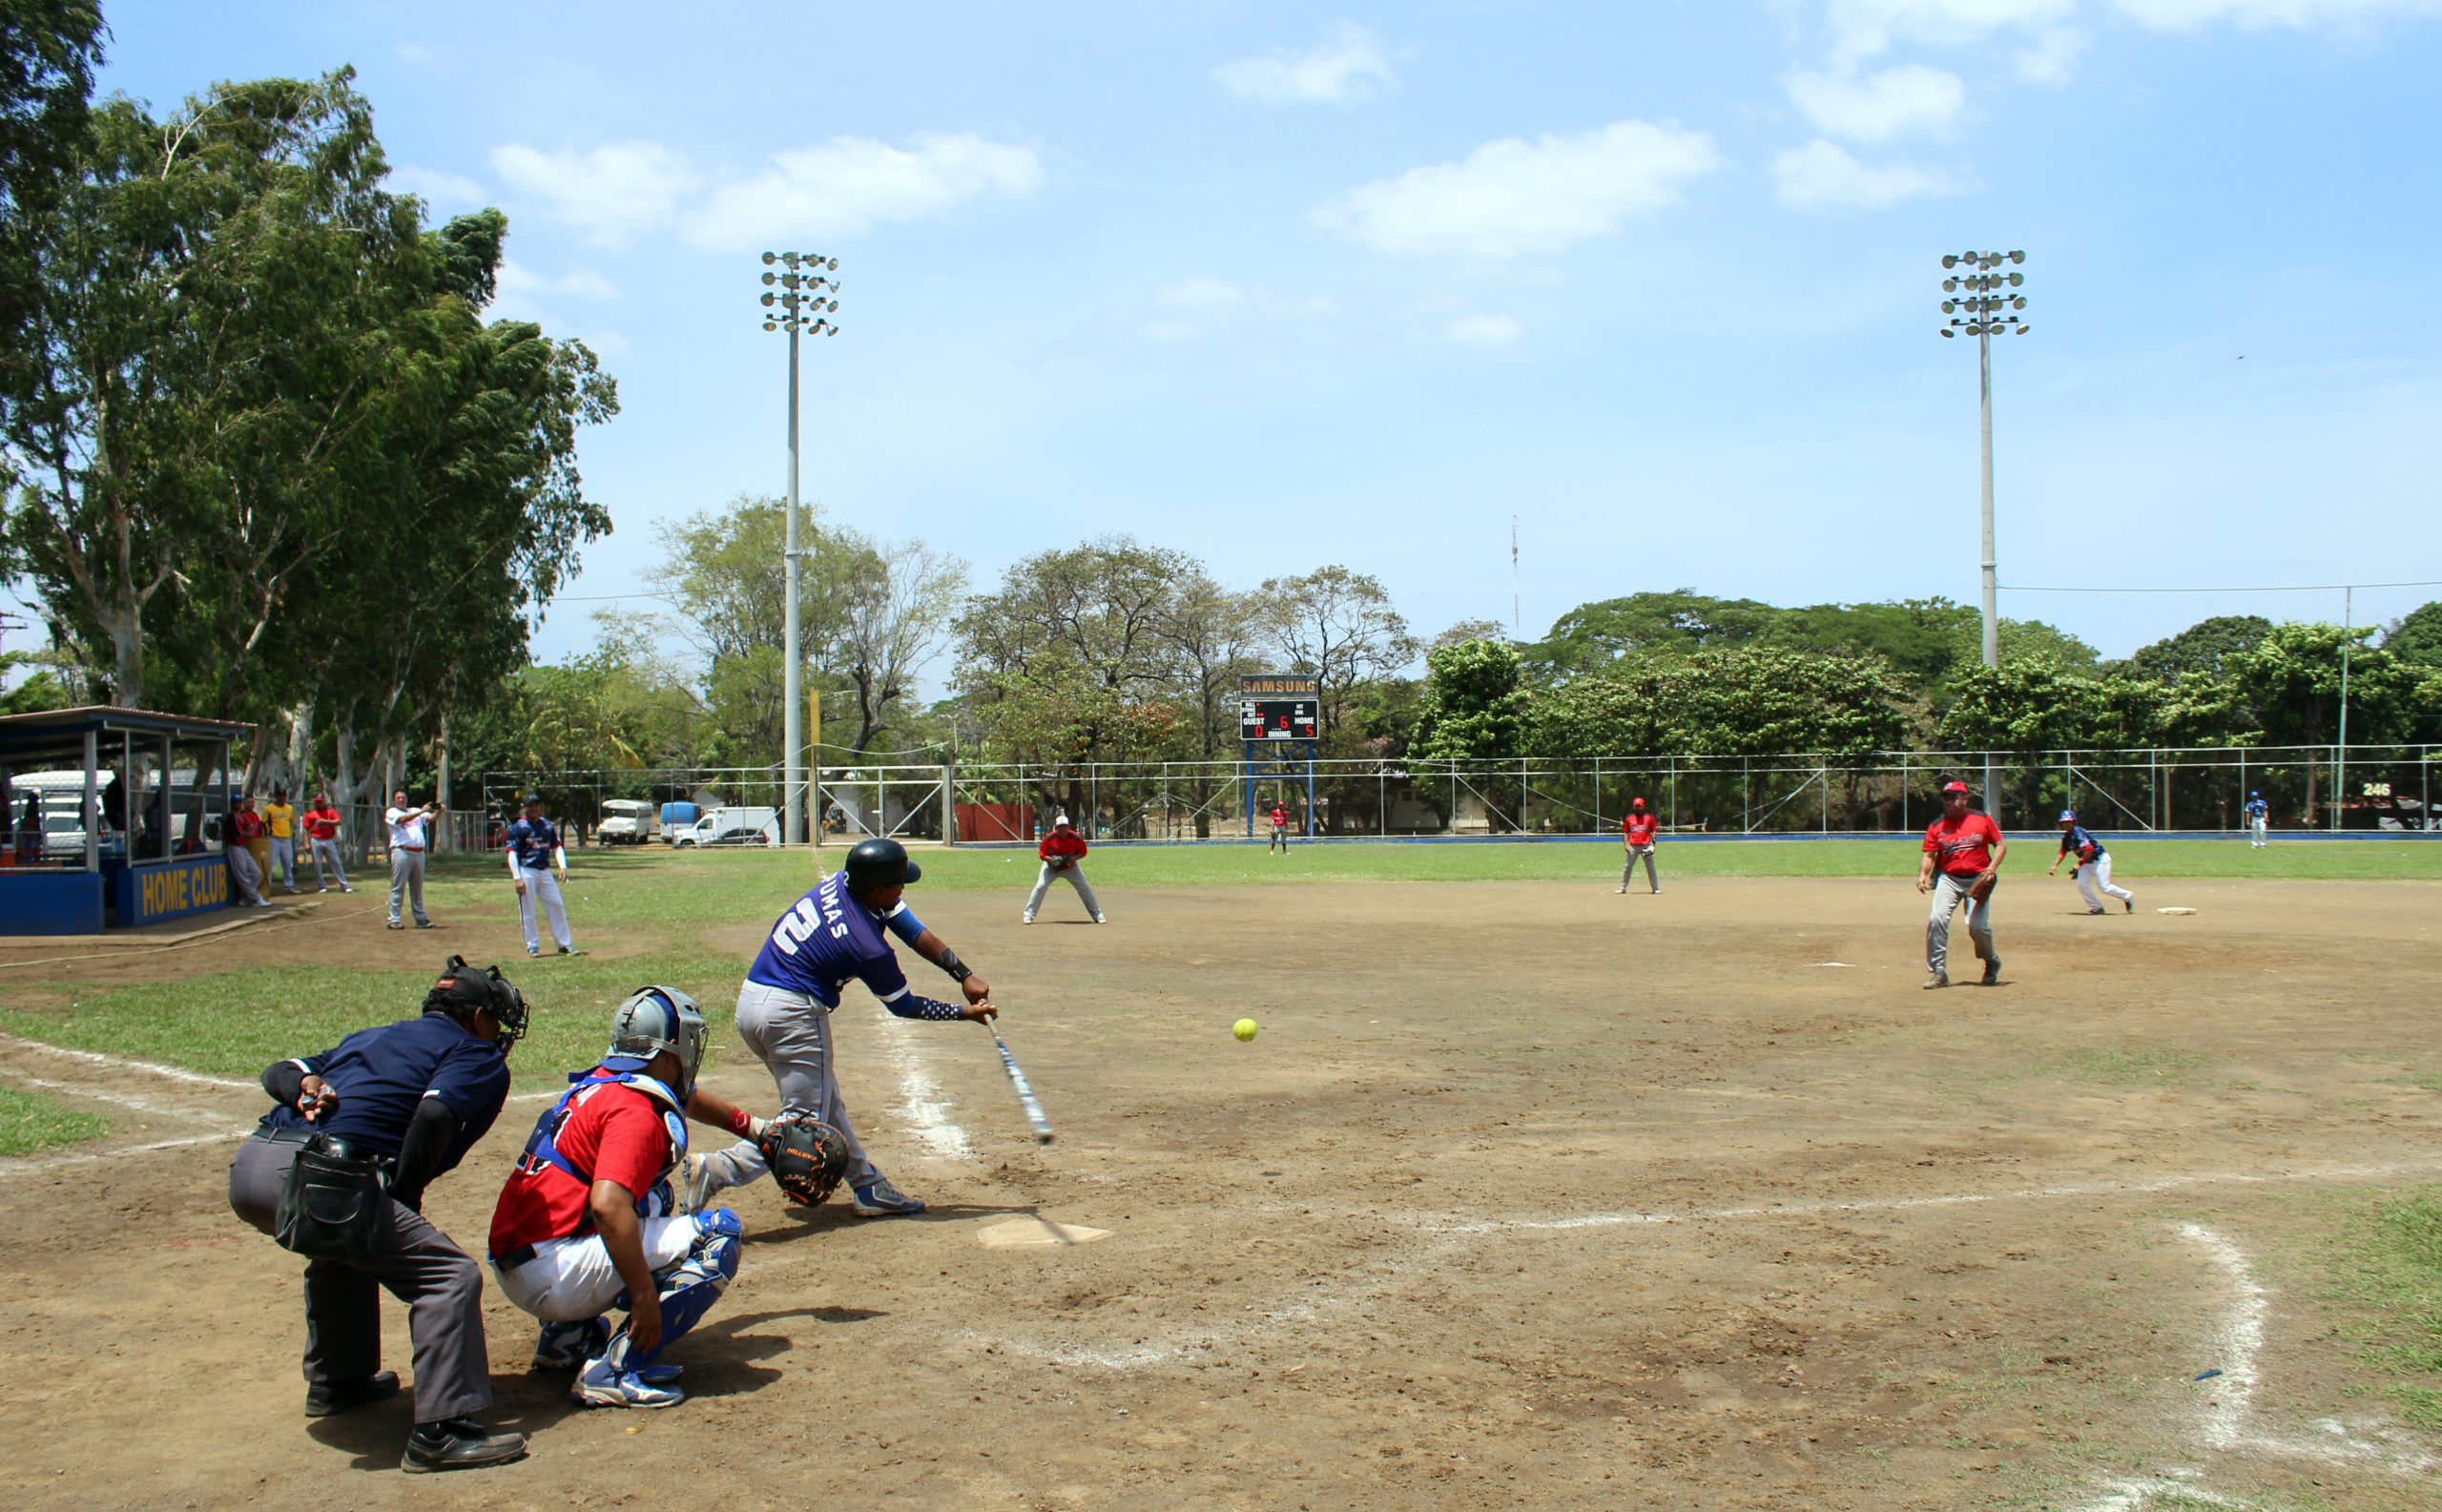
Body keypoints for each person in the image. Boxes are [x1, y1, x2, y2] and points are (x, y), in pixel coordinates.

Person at [226, 956, 529, 1473]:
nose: (497, 1033)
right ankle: (442, 1432)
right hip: (318, 1178)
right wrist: (405, 1191)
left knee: (347, 1244)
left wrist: (302, 1088)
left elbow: (280, 1072)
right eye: (495, 1021)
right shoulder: (473, 1052)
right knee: (447, 1276)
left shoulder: (374, 1036)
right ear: (476, 1016)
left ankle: (338, 1380)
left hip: (253, 1163)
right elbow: (435, 1114)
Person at [685, 837, 997, 1217]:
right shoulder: (867, 946)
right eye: (899, 883)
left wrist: (961, 974)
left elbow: (912, 929)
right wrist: (962, 1014)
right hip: (793, 1017)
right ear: (879, 888)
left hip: (753, 1003)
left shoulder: (842, 882)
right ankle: (718, 1170)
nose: (903, 888)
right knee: (804, 1129)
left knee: (826, 1106)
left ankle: (868, 1187)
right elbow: (903, 1005)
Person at [489, 988, 770, 1409]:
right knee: (717, 1235)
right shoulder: (636, 1110)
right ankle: (614, 1370)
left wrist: (758, 1131)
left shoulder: (603, 1082)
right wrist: (643, 1299)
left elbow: (685, 1099)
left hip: (523, 1258)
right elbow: (606, 1205)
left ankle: (565, 1340)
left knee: (653, 1197)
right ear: (666, 1054)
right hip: (553, 1271)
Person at [1915, 779, 2006, 989]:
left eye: (1953, 797)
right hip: (1949, 879)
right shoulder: (1937, 825)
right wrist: (1923, 874)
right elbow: (1929, 854)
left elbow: (2000, 845)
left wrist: (1991, 869)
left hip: (1978, 878)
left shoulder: (1982, 819)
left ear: (1965, 799)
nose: (1948, 801)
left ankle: (1991, 961)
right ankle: (1939, 972)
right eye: (1946, 797)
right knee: (1937, 919)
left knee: (1977, 926)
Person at [506, 793, 578, 957]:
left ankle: (564, 943)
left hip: (544, 871)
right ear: (524, 808)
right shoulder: (519, 827)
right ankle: (532, 945)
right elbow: (511, 853)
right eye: (530, 805)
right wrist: (517, 878)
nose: (534, 808)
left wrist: (562, 866)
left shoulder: (547, 825)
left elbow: (557, 846)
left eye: (537, 805)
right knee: (528, 908)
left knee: (556, 904)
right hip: (526, 870)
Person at [2048, 809, 2134, 915]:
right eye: (2063, 822)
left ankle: (2127, 896)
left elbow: (2089, 849)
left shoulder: (2078, 832)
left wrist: (2078, 865)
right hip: (2086, 862)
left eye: (2068, 821)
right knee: (2081, 884)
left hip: (2100, 860)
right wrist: (2054, 866)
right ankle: (2097, 907)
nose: (2066, 824)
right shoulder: (2067, 837)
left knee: (2104, 887)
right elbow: (2063, 851)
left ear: (2073, 821)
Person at [1024, 812, 1104, 924]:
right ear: (1056, 828)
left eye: (1064, 826)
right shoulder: (1049, 838)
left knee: (1084, 887)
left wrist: (1073, 858)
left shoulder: (1076, 837)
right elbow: (1042, 854)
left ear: (1068, 827)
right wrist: (1051, 860)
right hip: (1050, 867)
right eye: (1060, 827)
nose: (1062, 829)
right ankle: (1028, 915)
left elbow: (1083, 852)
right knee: (1040, 887)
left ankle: (1098, 915)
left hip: (1071, 867)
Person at [385, 791, 440, 930]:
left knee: (417, 889)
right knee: (398, 887)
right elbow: (402, 820)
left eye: (403, 797)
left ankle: (421, 919)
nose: (401, 800)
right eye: (398, 798)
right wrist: (422, 811)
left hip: (418, 853)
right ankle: (394, 919)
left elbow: (430, 818)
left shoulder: (415, 810)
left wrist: (440, 810)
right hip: (402, 852)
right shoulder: (392, 812)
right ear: (394, 800)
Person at [227, 795, 274, 907]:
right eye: (236, 803)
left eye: (240, 802)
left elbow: (250, 831)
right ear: (233, 804)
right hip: (235, 847)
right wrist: (247, 833)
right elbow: (238, 835)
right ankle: (256, 898)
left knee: (257, 873)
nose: (238, 805)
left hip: (243, 847)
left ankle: (245, 898)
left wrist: (247, 833)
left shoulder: (243, 816)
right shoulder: (231, 817)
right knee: (243, 876)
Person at [303, 791, 352, 892]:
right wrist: (306, 843)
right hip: (315, 839)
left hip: (329, 840)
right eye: (317, 801)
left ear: (324, 801)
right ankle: (321, 885)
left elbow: (338, 821)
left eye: (321, 801)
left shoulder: (330, 812)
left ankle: (344, 885)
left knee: (336, 862)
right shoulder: (310, 814)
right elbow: (306, 828)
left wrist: (324, 821)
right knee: (317, 864)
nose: (319, 803)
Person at [1619, 796, 1660, 895]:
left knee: (1651, 867)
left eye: (1639, 806)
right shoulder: (1629, 818)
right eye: (1636, 806)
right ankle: (1622, 887)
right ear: (1633, 807)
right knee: (1628, 867)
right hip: (1633, 846)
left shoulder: (1649, 818)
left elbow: (1654, 830)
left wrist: (1653, 845)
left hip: (1646, 845)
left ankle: (1655, 888)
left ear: (1643, 806)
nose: (1638, 808)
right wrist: (1626, 844)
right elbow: (1625, 832)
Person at [263, 784, 300, 893]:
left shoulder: (289, 808)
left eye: (284, 797)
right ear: (276, 797)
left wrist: (292, 832)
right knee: (270, 863)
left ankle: (289, 886)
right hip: (274, 838)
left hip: (286, 838)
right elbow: (263, 823)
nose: (283, 799)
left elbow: (291, 821)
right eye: (281, 797)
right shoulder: (269, 808)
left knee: (288, 862)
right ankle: (266, 885)